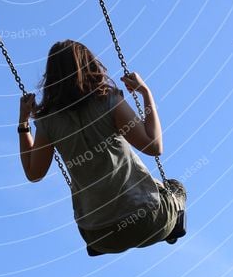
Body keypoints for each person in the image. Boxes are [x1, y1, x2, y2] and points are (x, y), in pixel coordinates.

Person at [17, 39, 186, 255]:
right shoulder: (108, 101)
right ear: (90, 65)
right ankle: (173, 228)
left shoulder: (48, 121)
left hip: (99, 236)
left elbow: (34, 173)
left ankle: (100, 241)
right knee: (175, 187)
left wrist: (23, 122)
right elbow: (154, 147)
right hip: (150, 221)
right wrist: (146, 93)